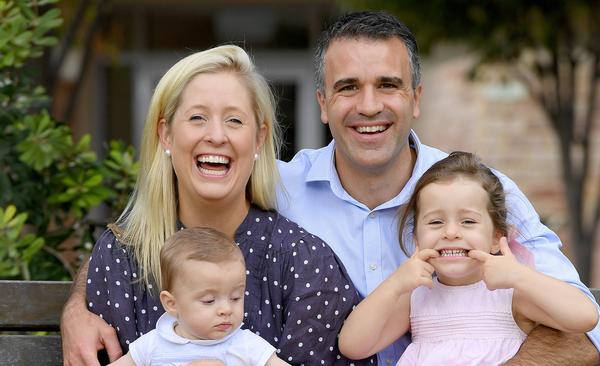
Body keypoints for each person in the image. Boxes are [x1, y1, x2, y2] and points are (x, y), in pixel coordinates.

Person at [275, 11, 600, 365]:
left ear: (416, 98)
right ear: (322, 104)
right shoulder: (279, 190)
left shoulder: (480, 189)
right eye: (348, 87)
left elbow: (589, 330)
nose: (369, 106)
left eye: (388, 85)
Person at [61, 44, 371, 366]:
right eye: (197, 117)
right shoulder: (121, 258)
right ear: (165, 135)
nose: (217, 135)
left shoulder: (301, 260)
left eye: (235, 120)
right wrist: (73, 306)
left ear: (259, 139)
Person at [336, 152, 599, 365]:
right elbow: (353, 345)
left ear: (497, 236)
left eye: (468, 221)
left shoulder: (510, 294)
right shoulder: (417, 297)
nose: (451, 233)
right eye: (436, 222)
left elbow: (584, 317)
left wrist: (519, 275)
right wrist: (395, 284)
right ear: (416, 239)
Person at [109, 227, 289, 366]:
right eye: (209, 301)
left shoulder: (246, 345)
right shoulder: (152, 345)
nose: (226, 309)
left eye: (235, 298)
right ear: (172, 303)